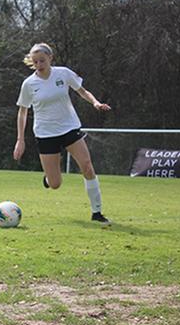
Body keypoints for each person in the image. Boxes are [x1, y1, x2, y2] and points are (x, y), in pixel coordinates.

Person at [12, 43, 112, 225]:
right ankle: (49, 179)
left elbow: (82, 91)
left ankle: (97, 212)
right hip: (45, 133)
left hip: (69, 127)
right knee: (55, 184)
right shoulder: (29, 84)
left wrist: (95, 102)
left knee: (87, 166)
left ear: (50, 58)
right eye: (35, 62)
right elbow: (22, 111)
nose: (39, 64)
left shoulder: (63, 73)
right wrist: (20, 140)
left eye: (42, 60)